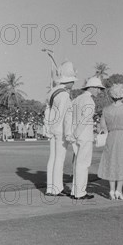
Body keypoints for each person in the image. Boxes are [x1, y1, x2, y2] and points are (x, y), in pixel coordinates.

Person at [97, 83, 123, 200]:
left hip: (112, 136)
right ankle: (119, 190)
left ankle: (111, 190)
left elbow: (103, 127)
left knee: (111, 161)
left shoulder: (106, 110)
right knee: (122, 162)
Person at [70, 76, 106, 200]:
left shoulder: (76, 99)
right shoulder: (89, 101)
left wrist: (73, 133)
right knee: (83, 164)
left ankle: (75, 191)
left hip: (75, 135)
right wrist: (77, 133)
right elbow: (85, 119)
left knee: (76, 163)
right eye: (98, 88)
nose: (99, 91)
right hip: (83, 135)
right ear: (92, 88)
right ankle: (80, 192)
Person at [45, 61, 76, 196]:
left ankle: (50, 188)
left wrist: (47, 128)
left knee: (52, 158)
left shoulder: (52, 92)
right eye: (72, 81)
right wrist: (68, 133)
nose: (73, 84)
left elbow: (47, 112)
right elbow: (66, 116)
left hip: (52, 129)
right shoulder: (64, 94)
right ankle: (57, 188)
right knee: (59, 159)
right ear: (67, 81)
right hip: (61, 130)